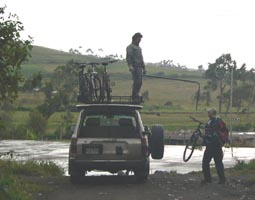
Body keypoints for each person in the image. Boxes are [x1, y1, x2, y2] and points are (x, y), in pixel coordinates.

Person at [202, 108, 226, 184]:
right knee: (218, 163)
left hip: (212, 145)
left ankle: (208, 179)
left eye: (209, 113)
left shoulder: (213, 122)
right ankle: (222, 180)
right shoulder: (218, 121)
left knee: (205, 162)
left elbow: (210, 133)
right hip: (217, 145)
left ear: (211, 114)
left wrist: (204, 137)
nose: (208, 114)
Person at [126, 32, 146, 103]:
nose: (140, 41)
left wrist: (144, 68)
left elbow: (141, 58)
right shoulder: (130, 47)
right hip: (134, 67)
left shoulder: (139, 48)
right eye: (139, 39)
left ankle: (136, 94)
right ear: (135, 39)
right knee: (136, 82)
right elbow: (129, 58)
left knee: (140, 82)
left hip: (139, 67)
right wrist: (130, 66)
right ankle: (134, 96)